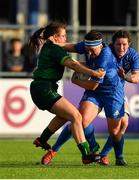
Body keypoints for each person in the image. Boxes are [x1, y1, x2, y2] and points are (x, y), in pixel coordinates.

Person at [37, 30, 127, 166]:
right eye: (87, 50)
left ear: (99, 46)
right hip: (96, 93)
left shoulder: (105, 57)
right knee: (79, 120)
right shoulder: (88, 46)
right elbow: (73, 47)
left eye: (92, 50)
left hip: (112, 94)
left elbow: (92, 86)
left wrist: (76, 81)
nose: (89, 53)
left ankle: (114, 156)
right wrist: (56, 44)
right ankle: (57, 150)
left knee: (114, 131)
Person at [29, 20, 104, 165]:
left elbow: (75, 63)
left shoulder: (49, 47)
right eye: (63, 36)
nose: (65, 39)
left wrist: (90, 67)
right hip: (45, 88)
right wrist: (93, 73)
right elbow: (72, 64)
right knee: (76, 116)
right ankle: (86, 154)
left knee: (65, 116)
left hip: (41, 88)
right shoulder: (55, 49)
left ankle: (42, 139)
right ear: (55, 37)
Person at [98, 30, 139, 165]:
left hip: (117, 92)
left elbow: (136, 78)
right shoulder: (106, 52)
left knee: (124, 124)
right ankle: (54, 150)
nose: (121, 48)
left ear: (129, 44)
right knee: (80, 120)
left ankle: (104, 155)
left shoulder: (133, 55)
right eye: (118, 44)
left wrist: (124, 76)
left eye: (124, 45)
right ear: (112, 44)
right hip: (99, 91)